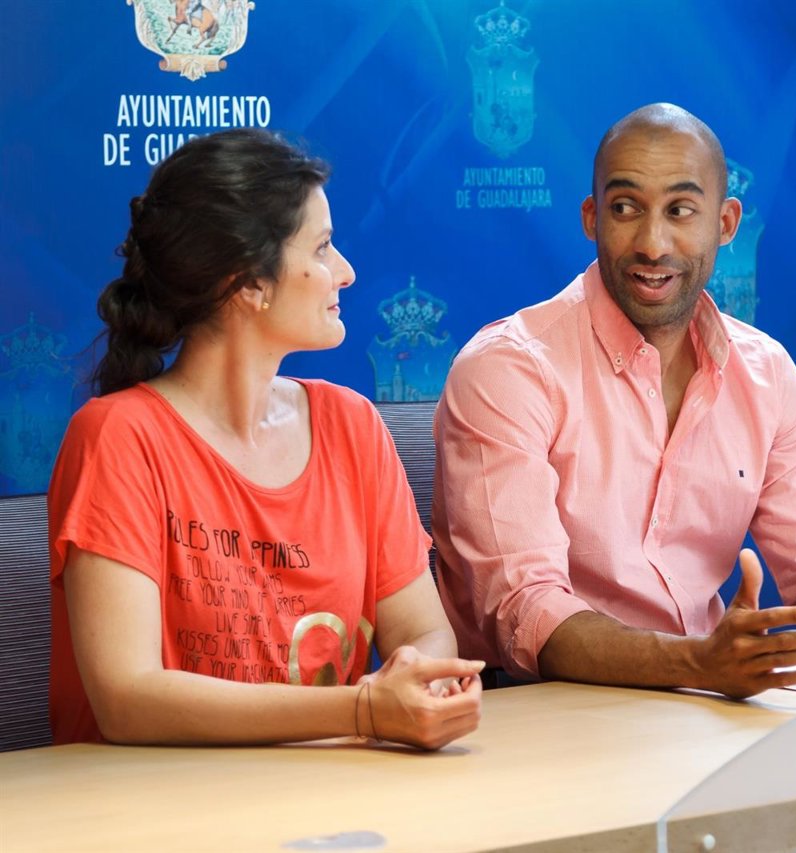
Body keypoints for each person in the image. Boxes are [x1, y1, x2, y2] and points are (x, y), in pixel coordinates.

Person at [431, 103, 796, 700]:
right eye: (625, 208)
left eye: (681, 211)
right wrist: (698, 664)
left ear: (727, 222)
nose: (652, 242)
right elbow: (524, 611)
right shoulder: (508, 369)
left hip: (700, 704)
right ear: (591, 218)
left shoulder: (766, 374)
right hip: (537, 709)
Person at [48, 129, 483, 747]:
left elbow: (424, 631)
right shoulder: (118, 437)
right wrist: (361, 712)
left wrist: (425, 680)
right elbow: (126, 698)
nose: (347, 272)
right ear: (248, 282)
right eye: (324, 247)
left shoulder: (353, 424)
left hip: (327, 798)